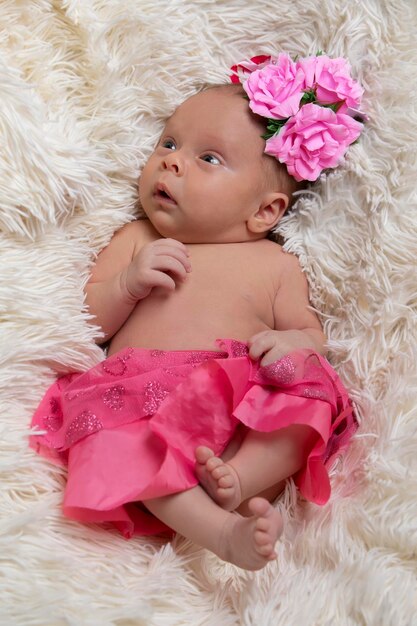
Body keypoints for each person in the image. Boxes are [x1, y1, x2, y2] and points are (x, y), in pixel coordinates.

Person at [31, 53, 362, 570]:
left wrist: (295, 346)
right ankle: (221, 527)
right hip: (142, 403)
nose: (172, 160)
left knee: (313, 390)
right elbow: (88, 324)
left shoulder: (274, 263)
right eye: (168, 142)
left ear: (264, 211)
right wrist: (126, 284)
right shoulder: (137, 239)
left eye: (208, 158)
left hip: (240, 400)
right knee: (109, 437)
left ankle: (238, 478)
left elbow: (309, 334)